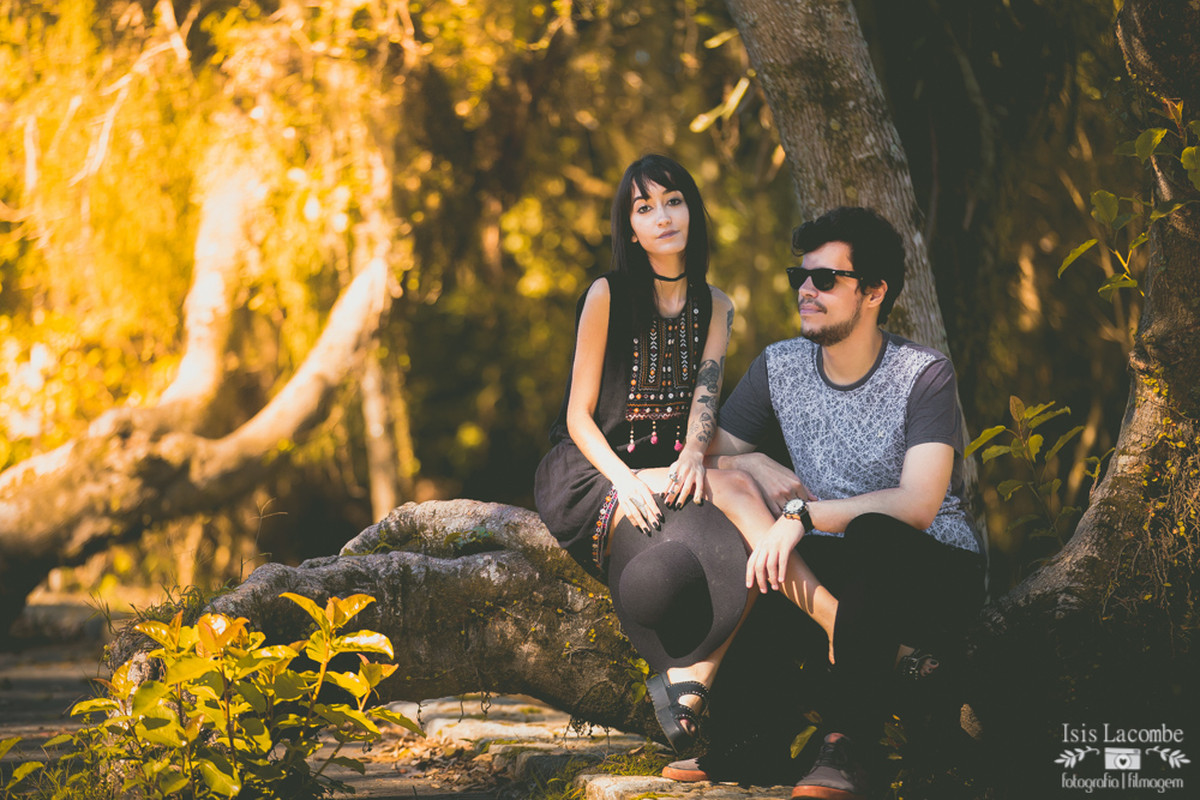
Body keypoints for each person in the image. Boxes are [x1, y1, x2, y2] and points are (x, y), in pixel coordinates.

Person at [662, 207, 986, 799]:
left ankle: (848, 746)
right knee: (756, 548)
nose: (806, 291)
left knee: (870, 536)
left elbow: (916, 505)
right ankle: (750, 740)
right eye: (801, 278)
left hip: (931, 566)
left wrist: (801, 516)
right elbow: (704, 462)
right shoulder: (780, 366)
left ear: (873, 292)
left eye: (826, 279)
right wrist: (753, 462)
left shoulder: (924, 374)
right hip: (842, 561)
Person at [533, 154, 750, 752]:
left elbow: (705, 399)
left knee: (745, 497)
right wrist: (626, 481)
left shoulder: (718, 305)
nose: (662, 216)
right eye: (645, 206)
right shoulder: (607, 293)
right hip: (596, 468)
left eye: (674, 200)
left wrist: (696, 453)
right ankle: (834, 619)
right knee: (727, 499)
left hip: (669, 463)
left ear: (692, 212)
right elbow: (577, 416)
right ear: (630, 228)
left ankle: (689, 691)